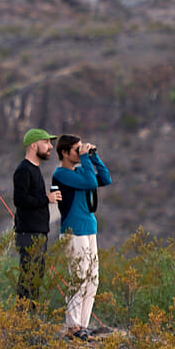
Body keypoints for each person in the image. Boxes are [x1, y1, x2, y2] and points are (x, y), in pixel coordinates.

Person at [49, 133, 112, 338]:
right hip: (73, 230)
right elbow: (88, 182)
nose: (80, 151)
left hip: (89, 228)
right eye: (77, 149)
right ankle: (73, 325)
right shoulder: (61, 175)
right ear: (65, 153)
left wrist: (94, 157)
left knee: (92, 278)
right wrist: (86, 160)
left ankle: (83, 326)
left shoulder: (80, 172)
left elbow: (104, 179)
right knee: (79, 276)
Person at [11, 129, 60, 300]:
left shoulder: (34, 169)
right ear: (33, 145)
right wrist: (47, 198)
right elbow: (20, 200)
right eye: (46, 142)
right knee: (28, 277)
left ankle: (29, 319)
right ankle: (23, 320)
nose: (50, 147)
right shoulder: (24, 170)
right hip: (29, 233)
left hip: (38, 232)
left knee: (35, 278)